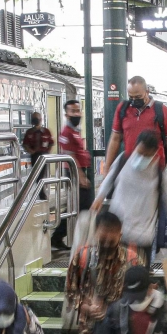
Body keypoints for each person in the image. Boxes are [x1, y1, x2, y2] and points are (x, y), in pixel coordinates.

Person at [93, 129, 167, 267]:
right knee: (113, 274)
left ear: (154, 154)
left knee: (138, 280)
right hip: (118, 233)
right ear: (136, 147)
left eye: (146, 155)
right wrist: (98, 198)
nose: (141, 158)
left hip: (143, 238)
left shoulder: (160, 175)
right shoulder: (123, 160)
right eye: (140, 152)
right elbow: (109, 179)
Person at [65, 212, 138, 334]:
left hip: (120, 332)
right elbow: (71, 290)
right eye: (102, 239)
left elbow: (139, 294)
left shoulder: (131, 260)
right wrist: (84, 307)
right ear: (95, 234)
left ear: (120, 236)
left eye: (111, 241)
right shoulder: (83, 256)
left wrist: (114, 308)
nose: (106, 245)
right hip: (89, 332)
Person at [104, 75, 167, 180]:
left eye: (138, 97)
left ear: (147, 92)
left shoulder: (161, 110)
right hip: (129, 171)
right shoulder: (122, 109)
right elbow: (115, 139)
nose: (134, 100)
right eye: (131, 97)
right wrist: (107, 167)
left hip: (155, 172)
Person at [51, 99, 92, 250]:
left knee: (80, 205)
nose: (77, 114)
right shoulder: (66, 133)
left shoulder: (75, 130)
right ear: (66, 114)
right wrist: (80, 176)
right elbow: (71, 156)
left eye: (78, 110)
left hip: (80, 170)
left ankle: (66, 237)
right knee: (80, 205)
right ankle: (58, 236)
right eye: (73, 111)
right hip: (74, 172)